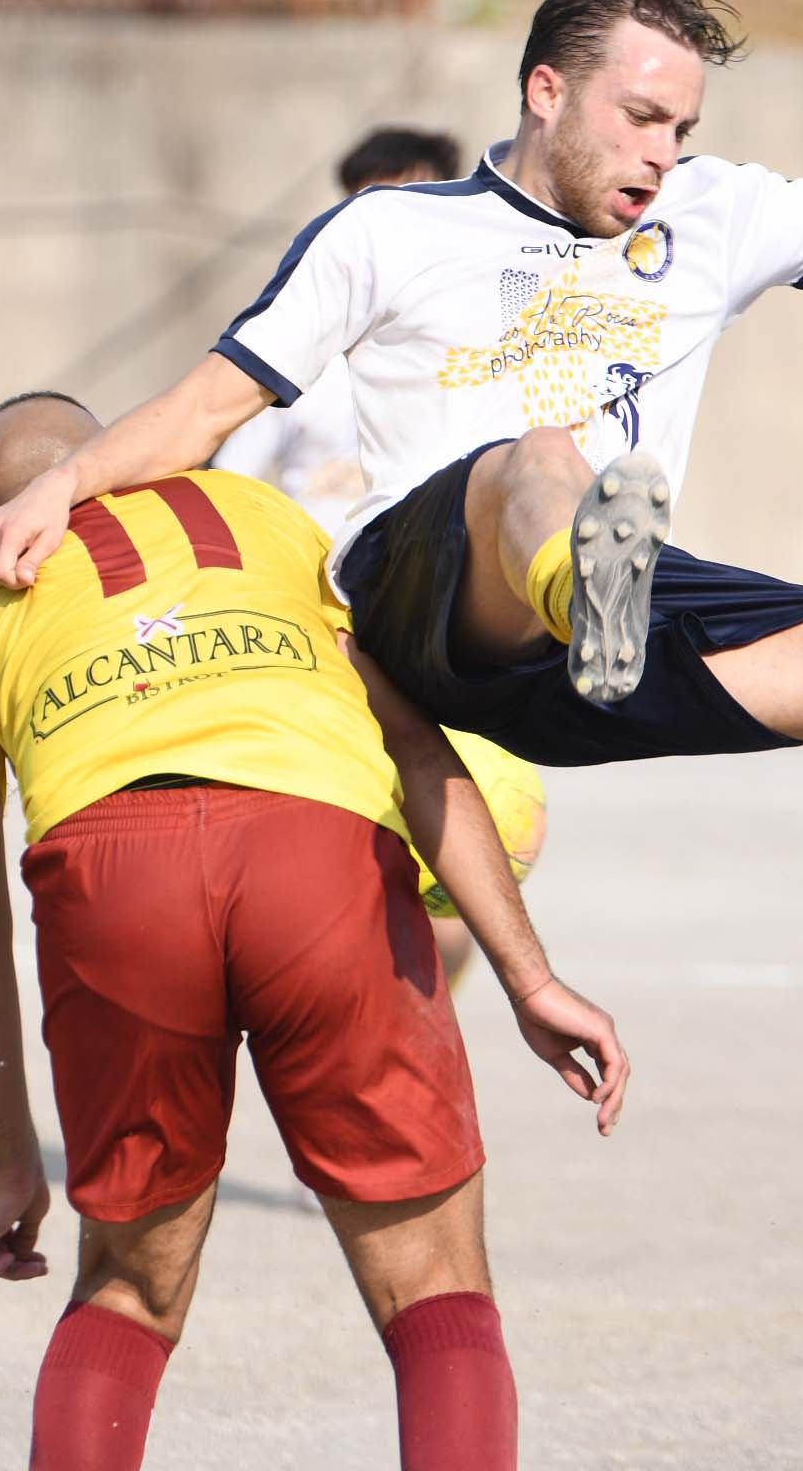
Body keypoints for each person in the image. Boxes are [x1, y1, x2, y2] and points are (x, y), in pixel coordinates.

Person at [0, 0, 803, 1177]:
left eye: (683, 129)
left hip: (586, 642)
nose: (664, 154)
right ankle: (587, 591)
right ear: (547, 91)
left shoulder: (714, 216)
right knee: (543, 460)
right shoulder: (392, 231)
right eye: (642, 117)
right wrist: (63, 483)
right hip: (430, 602)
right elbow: (204, 408)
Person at [0, 391, 628, 1471]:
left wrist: (11, 1158)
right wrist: (531, 976)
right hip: (314, 848)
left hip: (116, 876)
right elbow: (416, 748)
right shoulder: (261, 514)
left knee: (128, 1290)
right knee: (435, 1285)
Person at [214, 126, 549, 986]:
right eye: (365, 207)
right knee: (326, 863)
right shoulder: (295, 360)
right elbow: (229, 492)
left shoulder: (491, 357)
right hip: (325, 642)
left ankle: (424, 1028)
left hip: (440, 629)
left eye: (406, 201)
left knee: (461, 878)